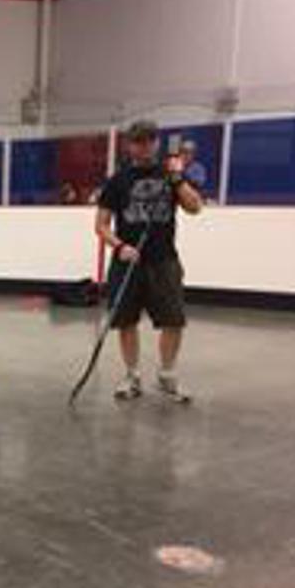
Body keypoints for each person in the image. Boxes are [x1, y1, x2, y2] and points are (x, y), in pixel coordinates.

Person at [95, 120, 203, 403]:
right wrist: (119, 246)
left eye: (150, 140)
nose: (145, 146)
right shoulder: (117, 181)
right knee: (126, 321)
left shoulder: (170, 176)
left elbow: (195, 207)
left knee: (173, 320)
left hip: (164, 260)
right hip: (127, 263)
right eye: (139, 141)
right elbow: (101, 225)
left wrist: (177, 179)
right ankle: (132, 377)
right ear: (129, 145)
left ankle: (167, 375)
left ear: (157, 143)